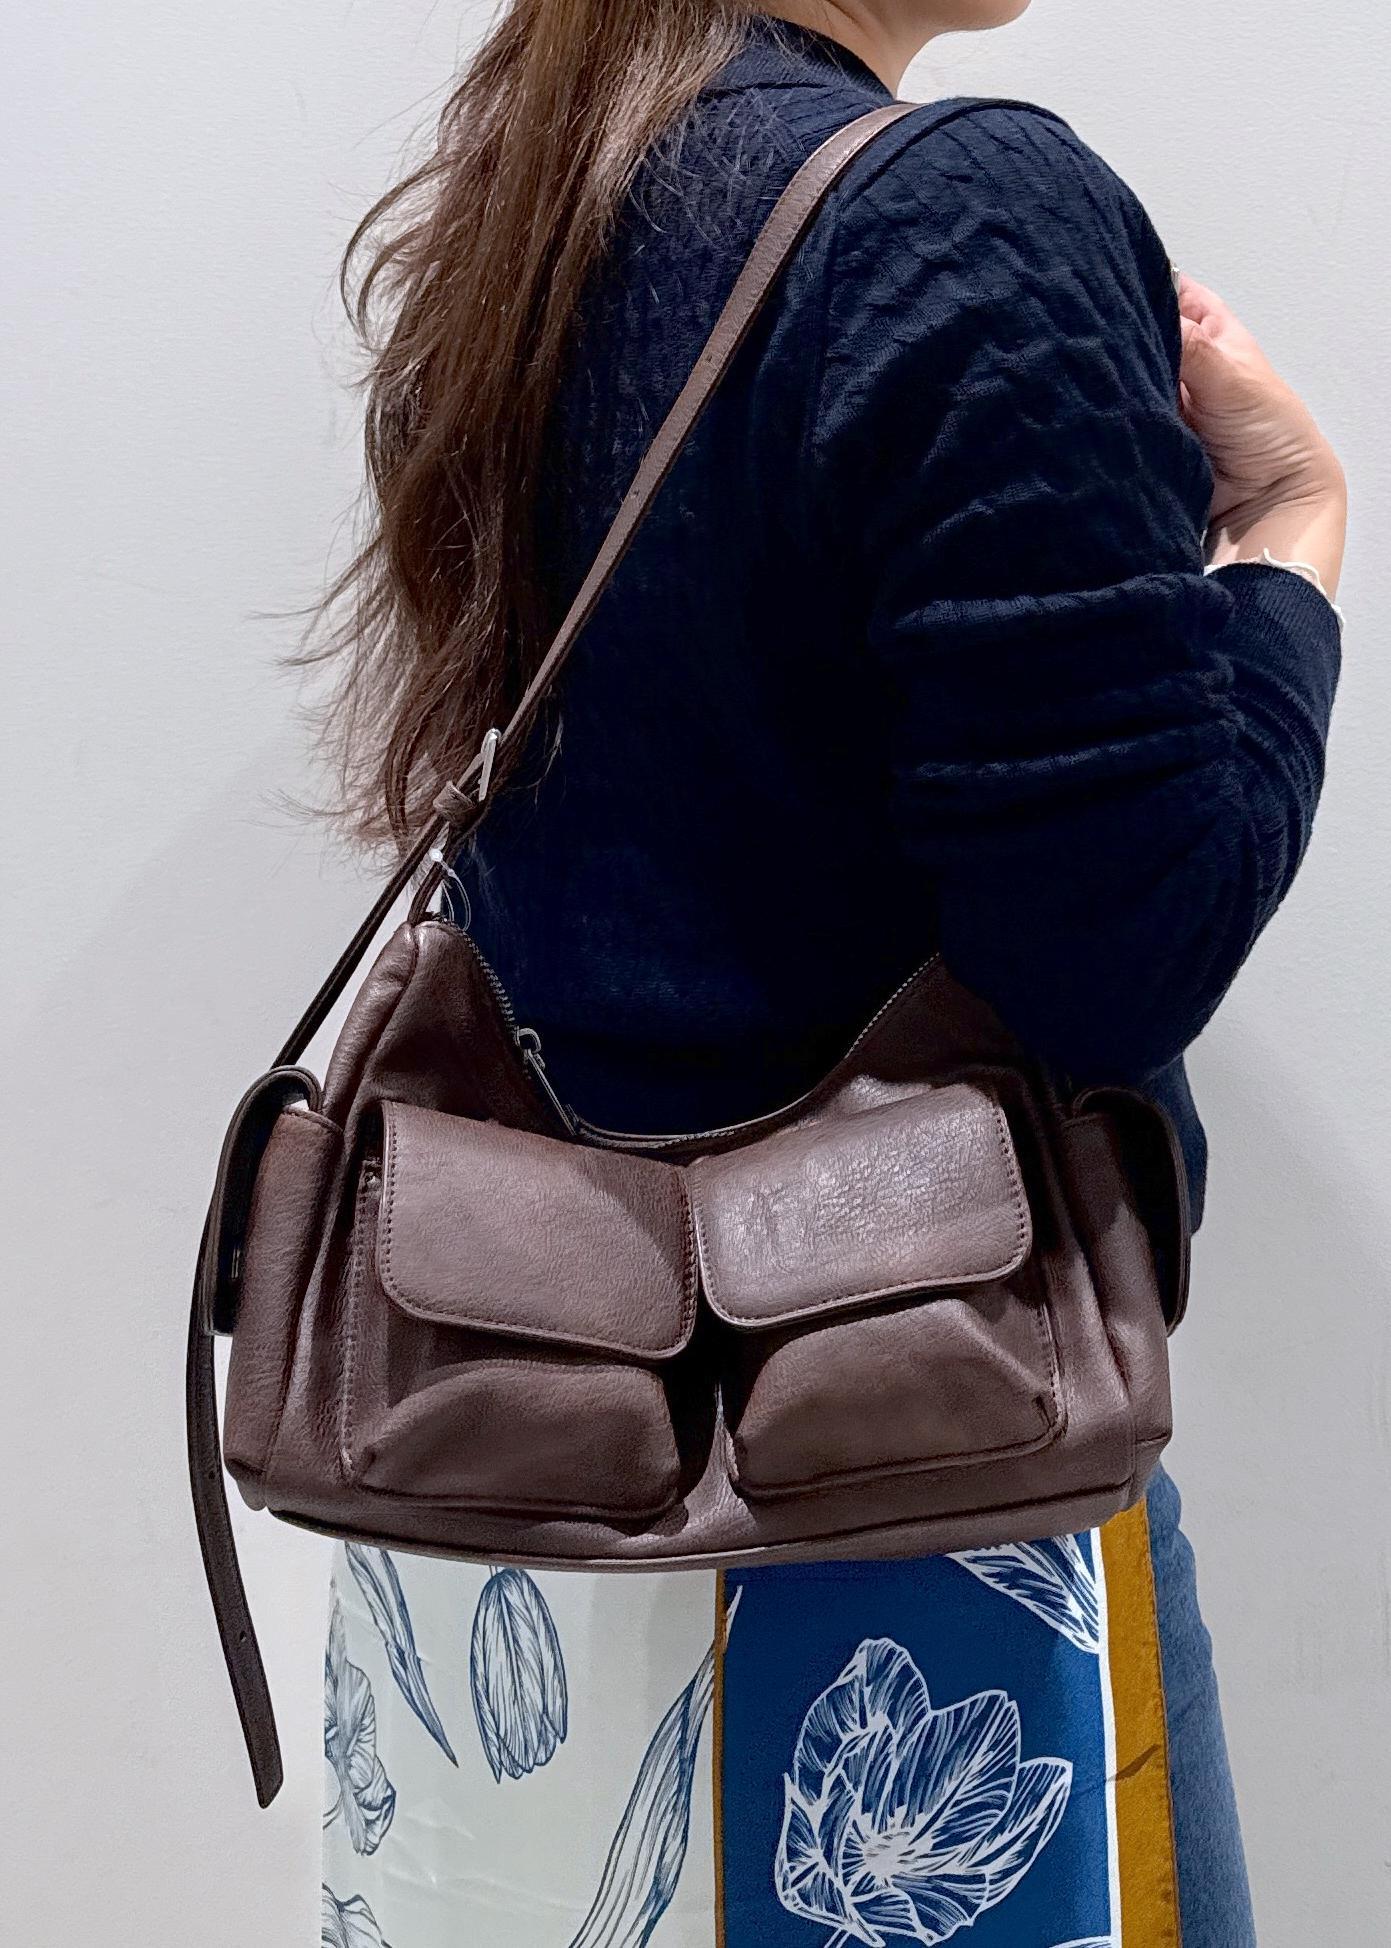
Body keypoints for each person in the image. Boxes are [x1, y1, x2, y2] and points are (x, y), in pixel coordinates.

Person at [315, 4, 1346, 1944]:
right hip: (917, 1471)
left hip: (511, 1491)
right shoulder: (965, 218)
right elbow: (1122, 950)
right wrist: (1290, 544)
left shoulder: (539, 194)